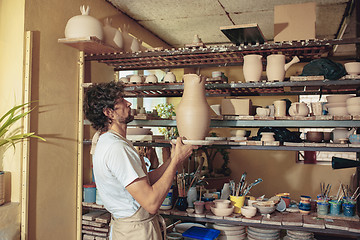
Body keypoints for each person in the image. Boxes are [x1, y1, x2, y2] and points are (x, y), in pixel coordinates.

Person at [83, 81, 197, 240]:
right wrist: (177, 160)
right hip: (136, 233)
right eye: (121, 100)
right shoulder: (117, 148)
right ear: (109, 112)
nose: (128, 103)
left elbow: (144, 182)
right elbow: (151, 203)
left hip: (130, 228)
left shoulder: (108, 141)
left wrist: (172, 159)